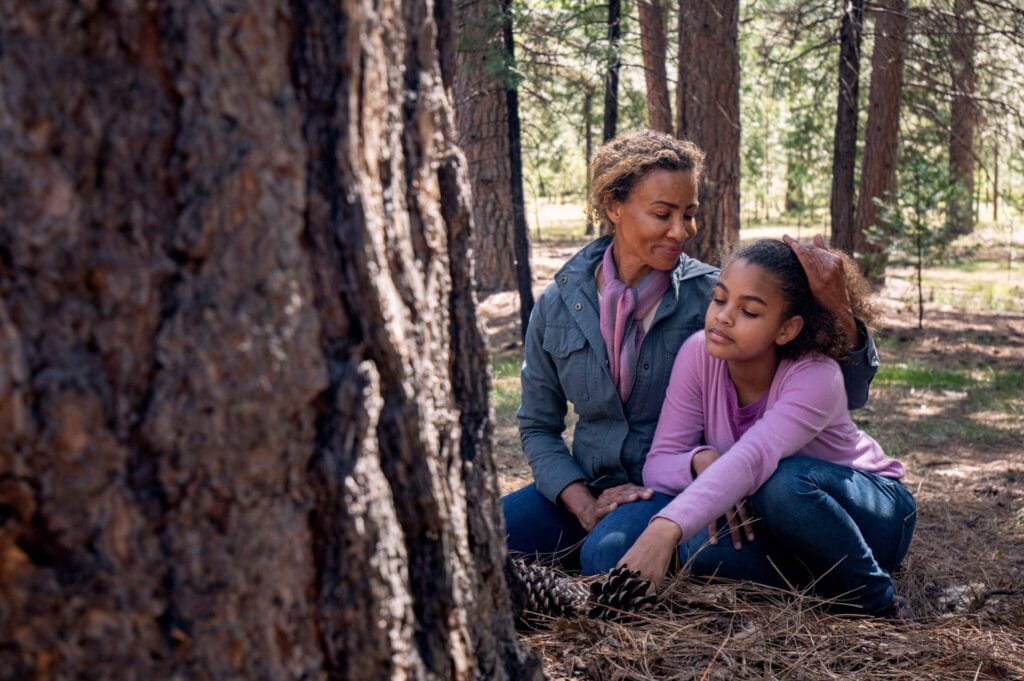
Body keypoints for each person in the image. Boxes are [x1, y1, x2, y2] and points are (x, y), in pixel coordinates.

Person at [502, 129, 880, 577]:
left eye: (690, 214)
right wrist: (582, 502)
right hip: (585, 483)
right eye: (663, 213)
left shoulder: (717, 298)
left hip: (671, 487)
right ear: (614, 207)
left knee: (604, 560)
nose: (681, 231)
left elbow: (842, 391)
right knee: (475, 542)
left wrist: (840, 307)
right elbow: (538, 425)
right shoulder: (559, 303)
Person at [610, 239, 916, 616]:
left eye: (749, 311)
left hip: (871, 515)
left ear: (786, 329)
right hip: (781, 526)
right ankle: (823, 584)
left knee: (782, 484)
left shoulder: (816, 376)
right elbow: (658, 463)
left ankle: (875, 598)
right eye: (719, 299)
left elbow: (756, 457)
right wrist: (700, 460)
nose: (723, 317)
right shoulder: (698, 353)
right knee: (696, 552)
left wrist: (664, 527)